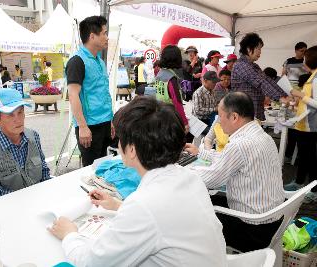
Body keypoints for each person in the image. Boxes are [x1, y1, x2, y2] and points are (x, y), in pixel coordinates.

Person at [49, 97, 227, 267]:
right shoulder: (189, 178)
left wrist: (69, 234)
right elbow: (164, 218)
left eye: (120, 139)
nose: (118, 145)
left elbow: (91, 262)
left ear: (132, 149)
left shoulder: (144, 205)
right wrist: (119, 205)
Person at [185, 92, 285, 252]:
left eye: (220, 115)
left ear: (234, 117)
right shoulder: (263, 136)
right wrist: (200, 152)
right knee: (210, 199)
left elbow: (212, 179)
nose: (218, 121)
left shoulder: (239, 144)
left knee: (191, 213)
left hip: (252, 231)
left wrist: (180, 171)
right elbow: (228, 160)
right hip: (272, 220)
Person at [0, 89, 51, 199]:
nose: (18, 120)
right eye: (10, 115)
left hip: (38, 198)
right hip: (7, 207)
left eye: (20, 112)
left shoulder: (33, 136)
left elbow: (43, 167)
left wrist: (48, 187)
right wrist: (7, 195)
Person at [65, 16, 114, 167]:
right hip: (90, 126)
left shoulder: (99, 61)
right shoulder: (77, 61)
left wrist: (110, 121)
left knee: (104, 167)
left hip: (104, 123)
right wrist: (83, 127)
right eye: (104, 33)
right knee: (91, 170)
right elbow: (73, 95)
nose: (107, 37)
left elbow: (103, 93)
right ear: (92, 36)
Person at [284, 45, 317, 203]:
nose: (303, 59)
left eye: (305, 57)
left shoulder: (316, 78)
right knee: (305, 157)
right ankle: (298, 182)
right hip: (304, 123)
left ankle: (314, 191)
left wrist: (299, 95)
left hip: (311, 126)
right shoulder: (312, 76)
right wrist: (297, 102)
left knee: (311, 159)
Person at [231, 33, 288, 120]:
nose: (260, 52)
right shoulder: (241, 65)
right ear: (249, 49)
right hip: (244, 111)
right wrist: (280, 98)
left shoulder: (254, 66)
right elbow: (261, 82)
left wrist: (284, 95)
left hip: (254, 109)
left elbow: (267, 80)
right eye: (258, 48)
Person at [155, 45, 189, 132]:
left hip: (160, 116)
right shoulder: (171, 78)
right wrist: (184, 123)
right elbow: (177, 102)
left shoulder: (159, 74)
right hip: (171, 119)